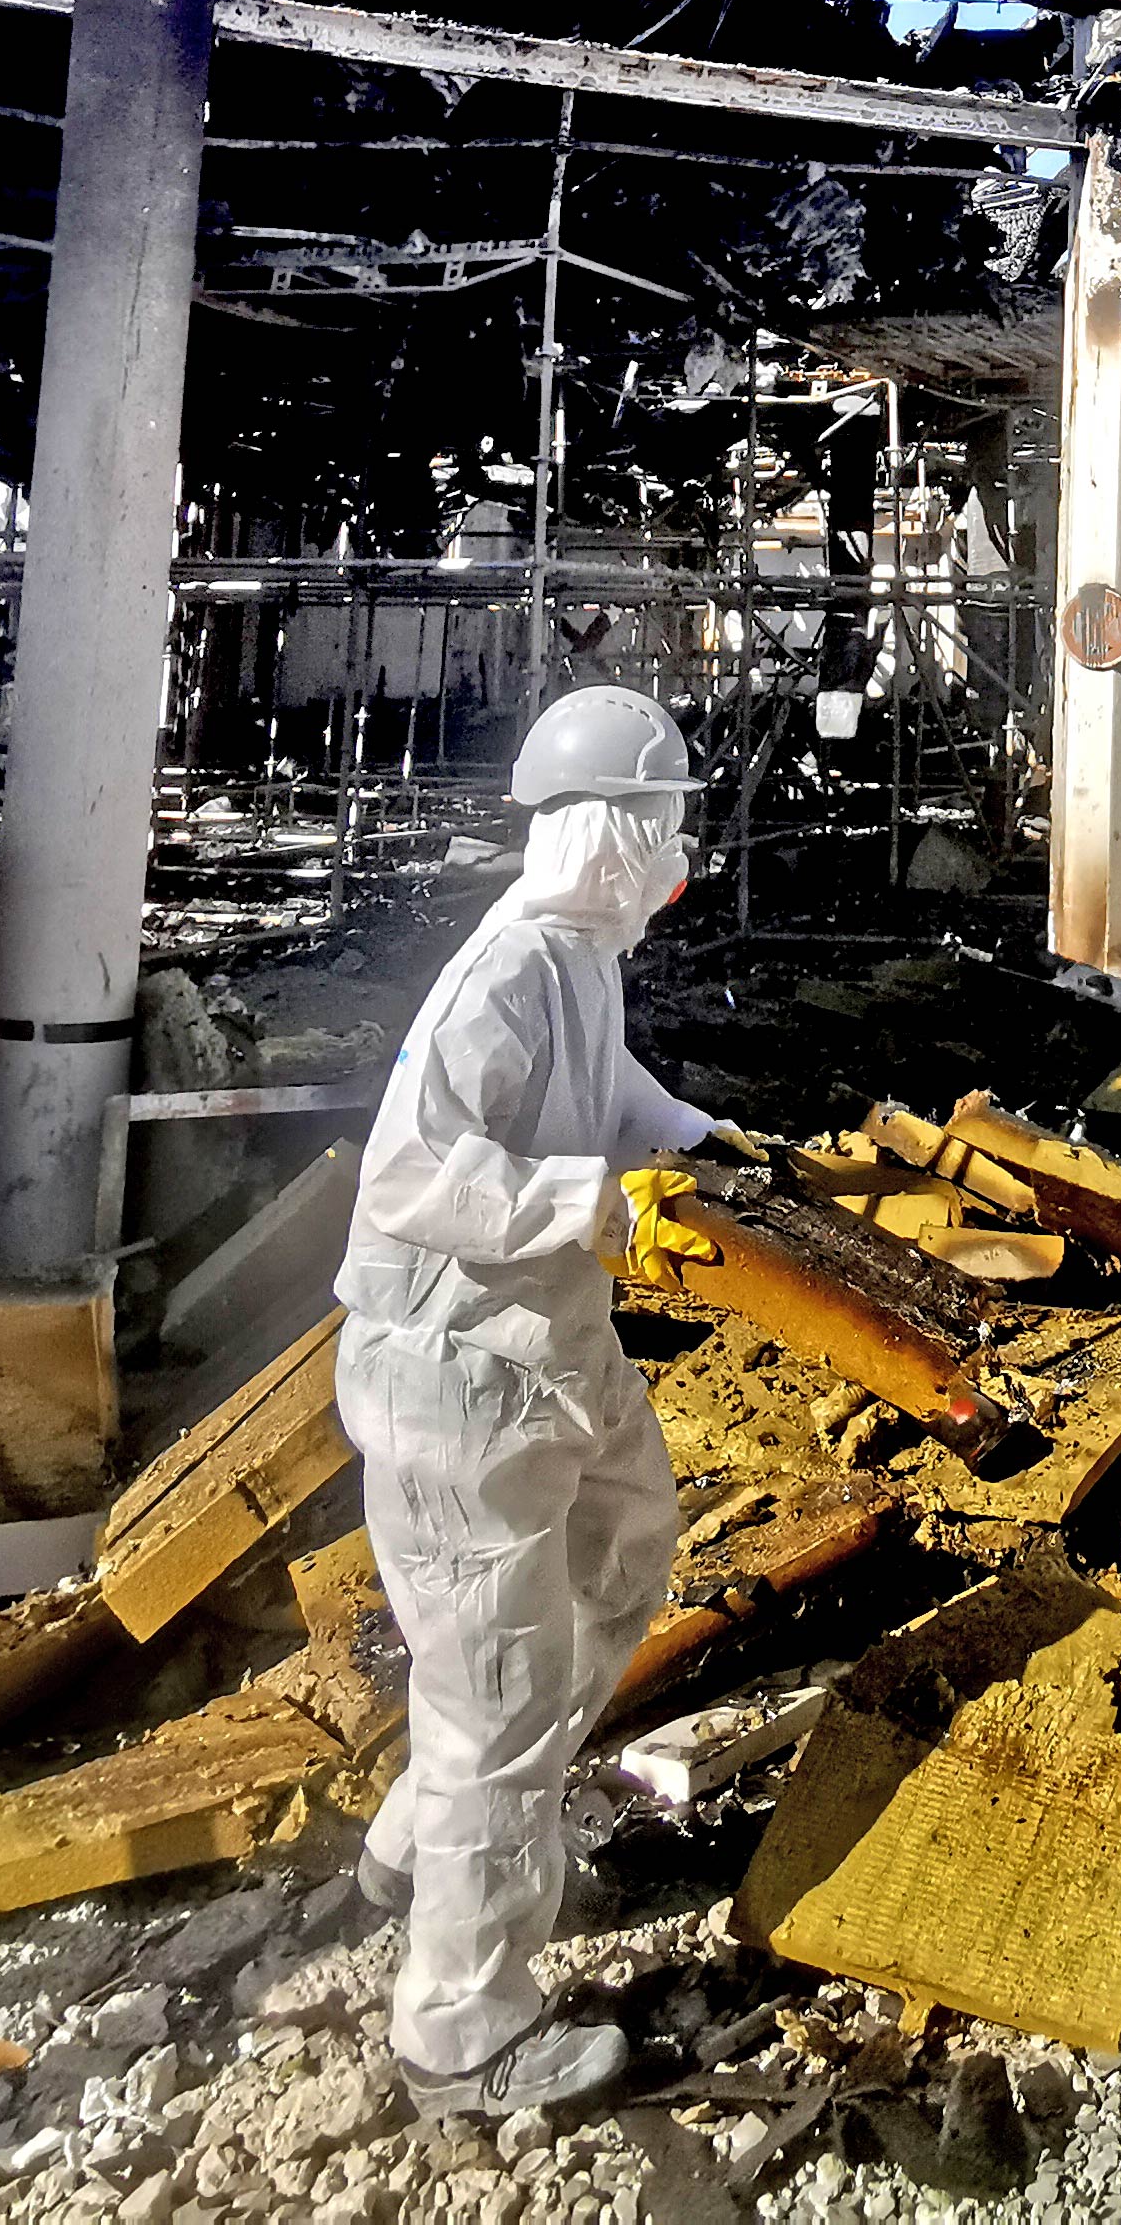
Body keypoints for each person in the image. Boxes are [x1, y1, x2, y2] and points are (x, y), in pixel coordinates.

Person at [336, 683, 721, 2122]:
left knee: (628, 1552)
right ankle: (465, 2036)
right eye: (664, 820)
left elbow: (604, 1085)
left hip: (551, 1353)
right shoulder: (500, 973)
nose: (676, 851)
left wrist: (697, 1142)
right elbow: (410, 1178)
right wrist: (598, 1203)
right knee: (496, 1694)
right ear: (606, 830)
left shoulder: (581, 960)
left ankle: (428, 1842)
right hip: (458, 1373)